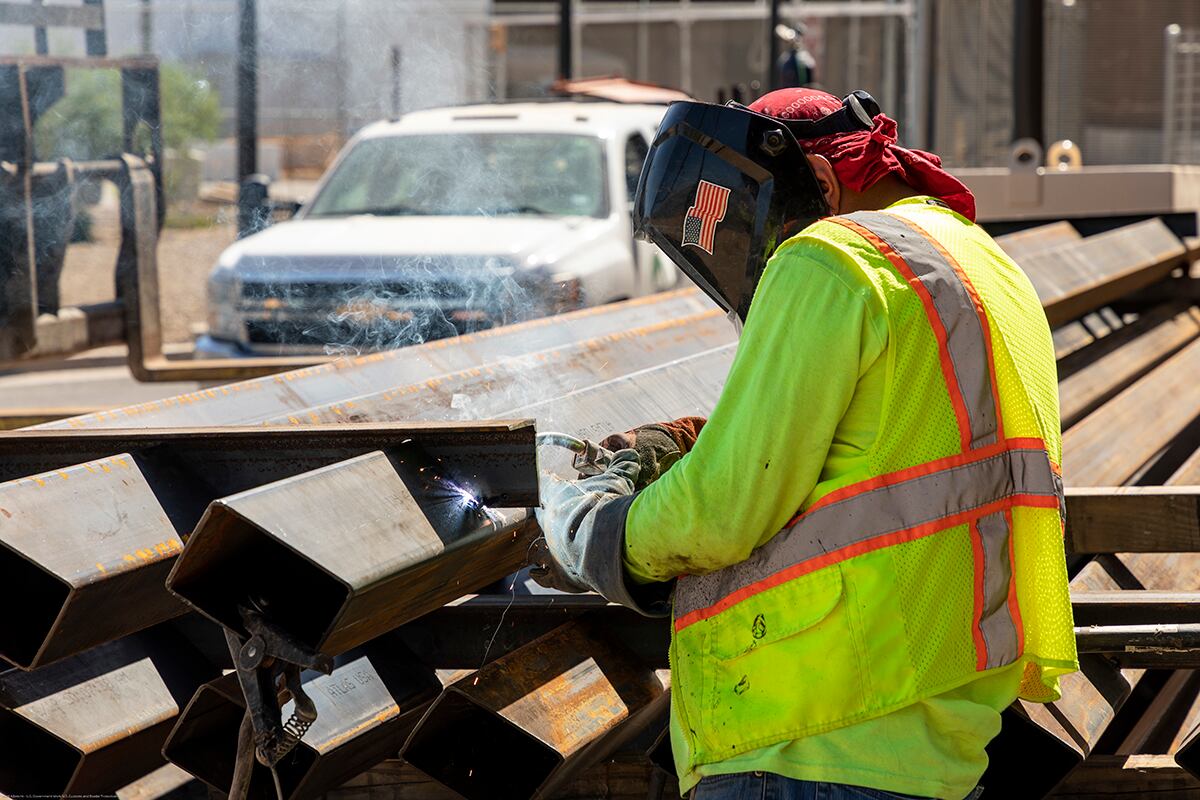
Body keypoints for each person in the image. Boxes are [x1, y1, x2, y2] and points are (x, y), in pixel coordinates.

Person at [532, 88, 1078, 800]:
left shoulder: (834, 255)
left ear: (820, 183)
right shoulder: (982, 263)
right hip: (938, 739)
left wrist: (595, 528)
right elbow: (897, 452)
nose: (773, 260)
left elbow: (721, 512)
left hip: (807, 741)